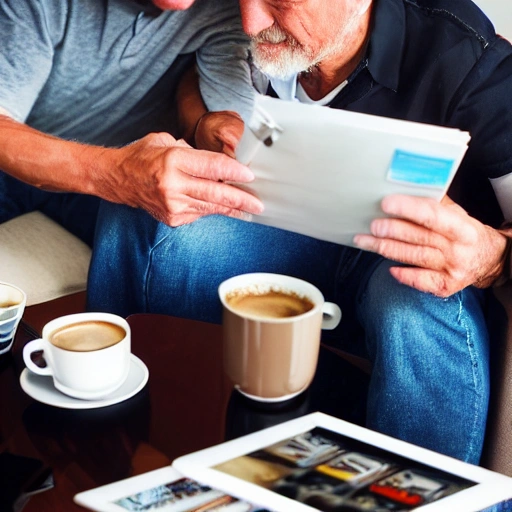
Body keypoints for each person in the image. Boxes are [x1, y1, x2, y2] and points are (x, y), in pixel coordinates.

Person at [87, 0, 512, 467]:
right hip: (283, 233)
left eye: (279, 3)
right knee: (140, 213)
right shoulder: (250, 30)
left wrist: (492, 256)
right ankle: (119, 450)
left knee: (412, 303)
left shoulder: (468, 57)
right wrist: (201, 121)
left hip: (401, 269)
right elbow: (192, 78)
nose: (251, 22)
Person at [0, 0, 264, 247]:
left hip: (126, 184)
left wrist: (207, 126)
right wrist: (116, 173)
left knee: (201, 243)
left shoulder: (227, 10)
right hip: (16, 162)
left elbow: (225, 110)